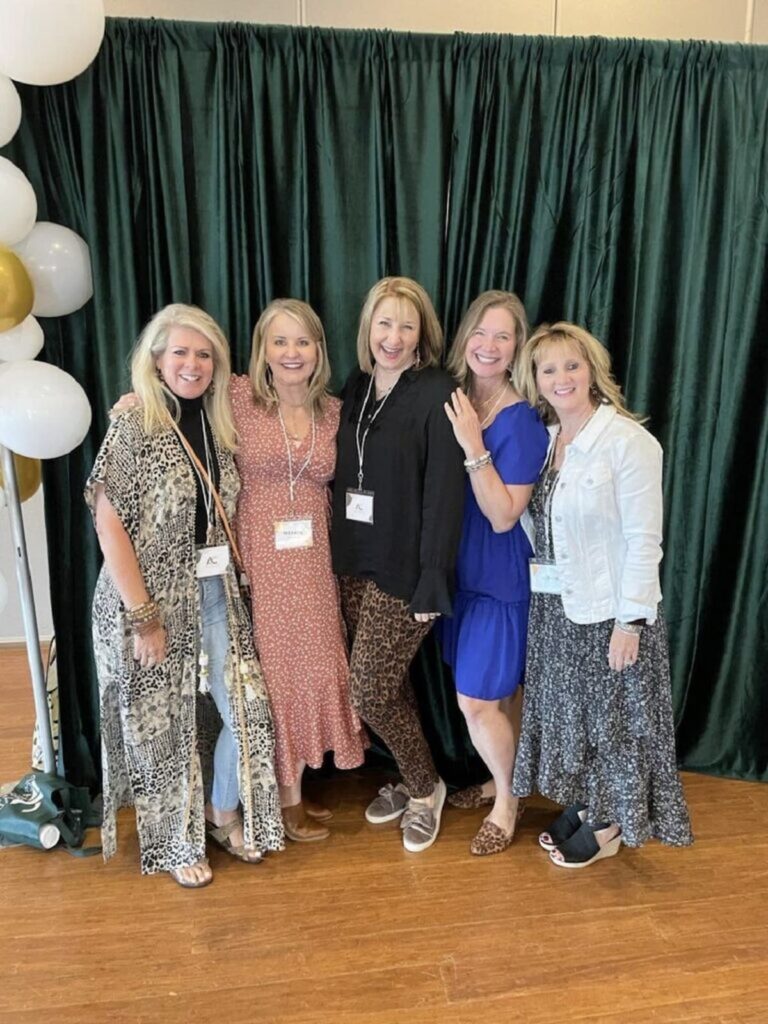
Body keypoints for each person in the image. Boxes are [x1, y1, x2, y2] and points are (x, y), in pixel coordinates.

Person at [86, 303, 284, 888]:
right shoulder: (134, 421)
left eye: (204, 354)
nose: (193, 364)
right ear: (156, 358)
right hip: (143, 598)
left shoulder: (222, 422)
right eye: (180, 352)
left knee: (246, 712)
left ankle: (221, 812)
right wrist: (143, 615)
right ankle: (175, 841)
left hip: (213, 589)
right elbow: (107, 520)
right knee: (160, 723)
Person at [512, 321, 693, 868]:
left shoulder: (628, 442)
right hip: (557, 607)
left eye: (572, 365)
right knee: (579, 719)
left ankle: (614, 824)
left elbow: (645, 540)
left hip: (608, 613)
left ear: (592, 369)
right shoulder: (547, 442)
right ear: (535, 379)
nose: (562, 377)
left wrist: (630, 621)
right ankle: (593, 804)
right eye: (549, 369)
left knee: (615, 724)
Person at [331, 276, 465, 853]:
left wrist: (432, 576)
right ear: (368, 329)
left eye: (406, 325)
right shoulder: (356, 386)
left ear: (421, 335)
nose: (394, 336)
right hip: (354, 562)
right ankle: (414, 777)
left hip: (407, 571)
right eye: (384, 323)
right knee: (390, 685)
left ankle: (426, 788)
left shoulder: (437, 390)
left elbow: (443, 495)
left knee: (369, 693)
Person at [230, 299, 367, 842]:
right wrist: (132, 401)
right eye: (280, 341)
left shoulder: (334, 410)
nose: (292, 353)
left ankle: (300, 785)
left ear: (318, 351)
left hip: (313, 557)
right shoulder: (238, 396)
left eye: (303, 342)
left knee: (316, 662)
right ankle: (283, 800)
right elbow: (178, 396)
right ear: (263, 349)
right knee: (275, 673)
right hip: (259, 555)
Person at [439, 291, 549, 855]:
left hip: (500, 578)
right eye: (481, 333)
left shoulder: (522, 421)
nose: (489, 346)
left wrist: (473, 447)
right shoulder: (452, 397)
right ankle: (503, 779)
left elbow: (505, 515)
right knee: (502, 697)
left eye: (503, 336)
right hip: (457, 574)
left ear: (517, 349)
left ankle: (507, 803)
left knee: (477, 701)